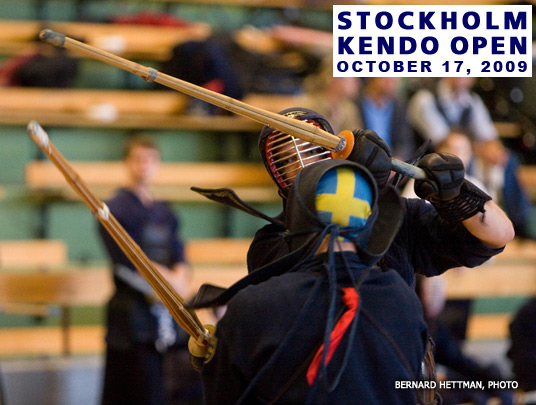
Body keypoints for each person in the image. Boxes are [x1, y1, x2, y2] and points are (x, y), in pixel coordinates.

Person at [196, 160, 429, 403]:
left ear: (298, 216)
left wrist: (215, 358)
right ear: (369, 222)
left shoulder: (253, 307)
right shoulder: (404, 301)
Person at [248, 107, 515, 293]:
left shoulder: (400, 217)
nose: (304, 165)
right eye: (289, 160)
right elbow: (318, 277)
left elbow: (496, 235)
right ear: (277, 176)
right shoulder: (271, 243)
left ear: (332, 154)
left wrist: (456, 194)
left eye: (312, 150)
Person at [97, 135, 202, 405]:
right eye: (138, 159)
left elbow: (179, 251)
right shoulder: (114, 209)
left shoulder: (165, 210)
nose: (144, 165)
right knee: (133, 390)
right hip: (132, 317)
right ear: (126, 163)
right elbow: (128, 261)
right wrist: (169, 285)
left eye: (150, 159)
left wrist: (180, 278)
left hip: (168, 312)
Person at [407, 77, 535, 240]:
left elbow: (488, 134)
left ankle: (518, 223)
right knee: (458, 159)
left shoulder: (472, 101)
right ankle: (471, 229)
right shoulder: (425, 98)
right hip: (430, 161)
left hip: (466, 154)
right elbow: (445, 141)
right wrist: (482, 149)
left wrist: (494, 148)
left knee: (508, 159)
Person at [417, 276, 515, 405]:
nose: (437, 296)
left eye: (439, 290)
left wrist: (490, 377)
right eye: (432, 290)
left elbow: (458, 359)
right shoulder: (410, 327)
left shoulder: (433, 326)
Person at [355, 77, 415, 161]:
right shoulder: (354, 104)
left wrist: (397, 160)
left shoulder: (398, 106)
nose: (392, 79)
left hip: (392, 163)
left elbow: (405, 141)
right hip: (364, 162)